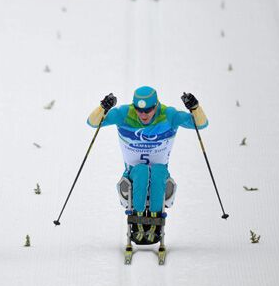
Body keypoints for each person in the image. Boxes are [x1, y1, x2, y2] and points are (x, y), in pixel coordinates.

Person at [87, 86, 207, 242]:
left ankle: (155, 226)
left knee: (157, 171)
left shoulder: (168, 115)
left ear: (156, 105)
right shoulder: (124, 114)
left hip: (161, 175)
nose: (143, 114)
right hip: (131, 178)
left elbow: (201, 124)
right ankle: (137, 225)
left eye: (148, 110)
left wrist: (195, 108)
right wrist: (103, 107)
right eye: (139, 109)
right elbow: (92, 123)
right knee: (142, 171)